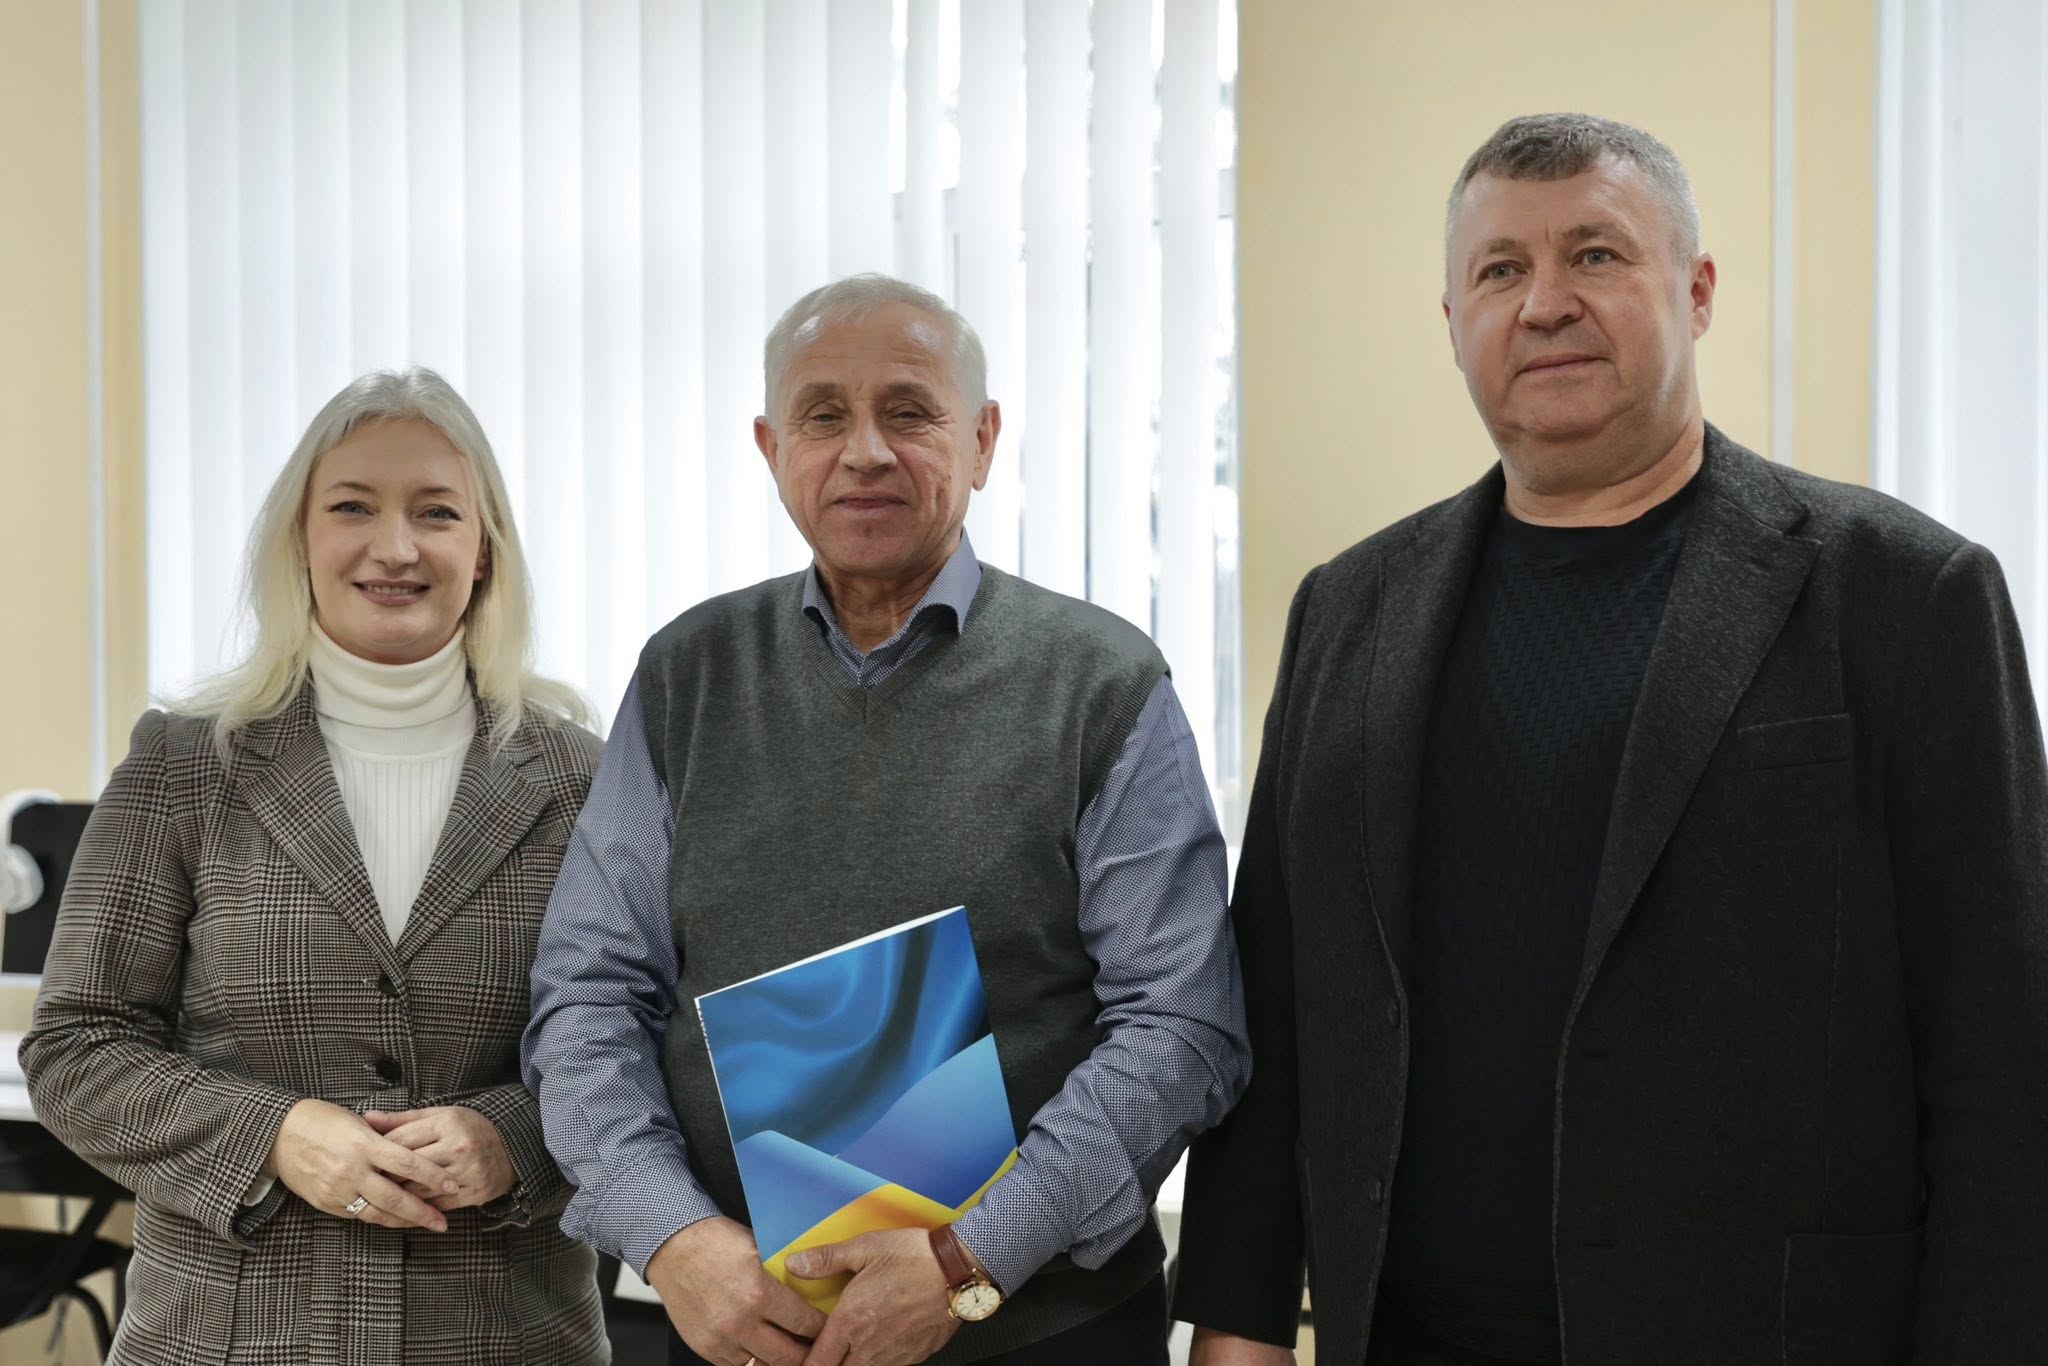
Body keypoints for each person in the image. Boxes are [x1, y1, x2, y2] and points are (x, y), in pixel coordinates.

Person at [1172, 114, 2048, 1366]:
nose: (1543, 303)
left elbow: (2001, 1053)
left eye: (1593, 254)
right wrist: (1237, 1329)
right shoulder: (1348, 609)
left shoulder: (1903, 595)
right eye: (1500, 270)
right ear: (1453, 324)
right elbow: (1281, 997)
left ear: (1695, 291)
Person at [524, 273, 1251, 1366]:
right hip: (744, 1330)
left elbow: (1179, 1023)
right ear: (772, 449)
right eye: (823, 416)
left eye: (908, 412)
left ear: (982, 440)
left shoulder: (1100, 682)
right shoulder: (687, 675)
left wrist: (968, 1259)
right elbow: (587, 995)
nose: (864, 450)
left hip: (1043, 1333)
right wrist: (671, 1236)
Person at [22, 368, 611, 1364]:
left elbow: (640, 1039)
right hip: (224, 1337)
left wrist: (513, 1136)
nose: (395, 546)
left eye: (436, 512)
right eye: (352, 507)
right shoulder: (183, 763)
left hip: (502, 1334)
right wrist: (272, 1132)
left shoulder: (583, 778)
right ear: (299, 538)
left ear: (484, 551)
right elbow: (78, 1047)